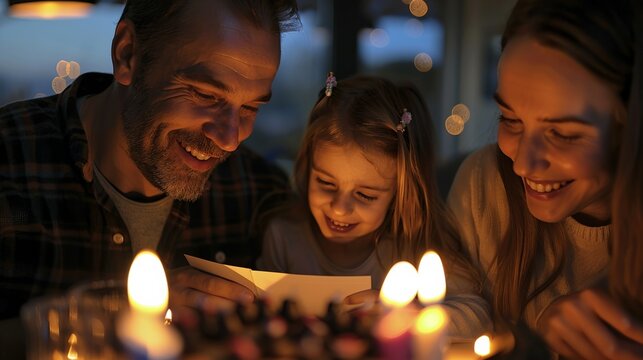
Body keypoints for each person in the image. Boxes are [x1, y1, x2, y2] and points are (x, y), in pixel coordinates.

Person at [0, 0, 301, 320]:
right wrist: (127, 319)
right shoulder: (10, 160)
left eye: (250, 108)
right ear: (127, 54)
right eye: (206, 95)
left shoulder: (259, 194)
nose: (229, 138)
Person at [447, 0, 643, 357]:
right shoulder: (482, 188)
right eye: (510, 119)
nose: (522, 164)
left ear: (630, 126)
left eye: (563, 134)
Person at [257, 74, 491, 337]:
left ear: (401, 192)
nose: (339, 208)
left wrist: (408, 315)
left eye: (365, 195)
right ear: (307, 166)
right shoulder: (284, 237)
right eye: (325, 183)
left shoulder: (416, 246)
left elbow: (478, 315)